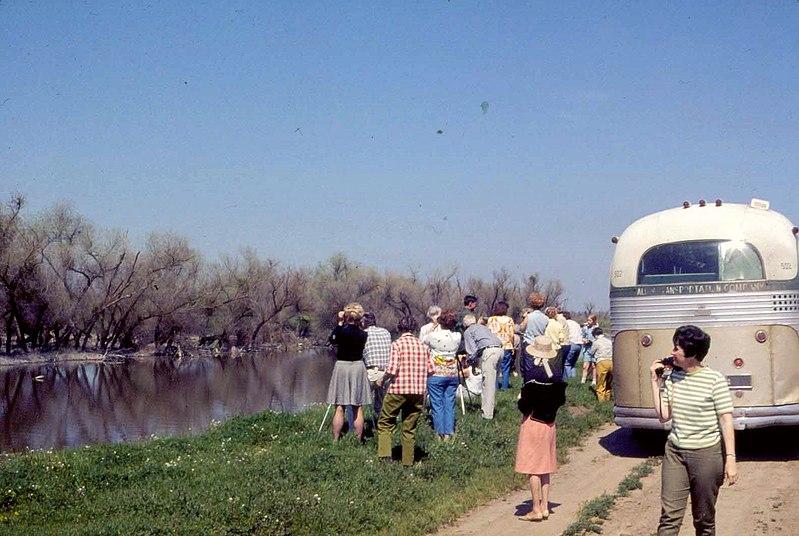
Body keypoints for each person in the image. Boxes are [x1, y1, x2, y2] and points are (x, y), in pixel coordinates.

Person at [649, 325, 737, 536]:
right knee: (669, 519)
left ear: (692, 353)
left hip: (706, 454)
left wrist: (731, 459)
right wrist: (655, 381)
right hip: (676, 453)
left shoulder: (714, 380)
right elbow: (664, 416)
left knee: (704, 519)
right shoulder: (673, 378)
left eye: (677, 348)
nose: (672, 352)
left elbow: (726, 420)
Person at [515, 336, 567, 522]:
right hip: (549, 424)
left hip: (533, 423)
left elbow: (524, 406)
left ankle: (535, 508)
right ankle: (545, 505)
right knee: (545, 467)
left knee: (533, 468)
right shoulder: (556, 375)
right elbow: (561, 400)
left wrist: (520, 398)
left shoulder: (532, 377)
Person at [376, 315, 433, 466]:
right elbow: (432, 370)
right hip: (418, 392)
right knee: (409, 428)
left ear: (399, 328)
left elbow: (392, 369)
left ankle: (385, 457)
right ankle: (408, 462)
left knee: (385, 422)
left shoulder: (397, 344)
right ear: (414, 329)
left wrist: (382, 379)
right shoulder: (424, 346)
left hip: (398, 390)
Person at [326, 303, 371, 441]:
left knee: (340, 406)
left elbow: (332, 339)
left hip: (342, 366)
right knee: (358, 406)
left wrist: (339, 323)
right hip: (357, 366)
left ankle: (335, 440)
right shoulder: (363, 334)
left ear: (346, 316)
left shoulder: (341, 331)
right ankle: (358, 439)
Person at [423, 310, 462, 439]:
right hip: (452, 374)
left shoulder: (433, 336)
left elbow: (424, 340)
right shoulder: (457, 336)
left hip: (436, 374)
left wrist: (434, 326)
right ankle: (448, 432)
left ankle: (439, 432)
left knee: (437, 404)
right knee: (449, 404)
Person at [462, 314, 503, 419]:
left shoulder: (468, 331)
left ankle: (487, 415)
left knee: (487, 385)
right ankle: (488, 408)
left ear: (465, 324)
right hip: (500, 350)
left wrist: (470, 364)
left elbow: (471, 352)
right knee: (491, 383)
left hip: (489, 352)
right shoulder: (483, 328)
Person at [361, 312, 392, 418]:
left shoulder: (363, 334)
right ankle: (384, 427)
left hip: (372, 373)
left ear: (363, 323)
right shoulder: (386, 332)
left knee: (356, 398)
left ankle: (355, 427)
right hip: (386, 373)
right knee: (382, 403)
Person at [486, 300, 516, 390]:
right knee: (506, 368)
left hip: (494, 346)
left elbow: (488, 332)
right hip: (507, 346)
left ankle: (494, 387)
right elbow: (512, 335)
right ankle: (504, 387)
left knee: (495, 367)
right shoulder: (509, 320)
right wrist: (512, 346)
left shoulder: (491, 319)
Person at [518, 293, 548, 379]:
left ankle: (528, 384)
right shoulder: (545, 318)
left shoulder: (529, 316)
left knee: (527, 366)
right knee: (538, 365)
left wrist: (524, 318)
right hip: (540, 344)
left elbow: (521, 328)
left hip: (529, 343)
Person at [591, 327, 613, 401]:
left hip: (602, 362)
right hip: (611, 362)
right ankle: (608, 397)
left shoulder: (596, 342)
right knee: (609, 381)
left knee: (601, 381)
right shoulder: (609, 341)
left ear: (595, 335)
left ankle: (601, 400)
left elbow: (591, 352)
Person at [544, 306, 567, 372]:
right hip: (556, 348)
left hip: (546, 347)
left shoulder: (545, 324)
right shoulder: (559, 324)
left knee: (546, 367)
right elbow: (561, 339)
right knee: (556, 367)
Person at [562, 311, 583, 381]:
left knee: (567, 364)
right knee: (572, 364)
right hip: (579, 345)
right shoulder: (576, 323)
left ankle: (568, 380)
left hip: (572, 343)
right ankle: (574, 380)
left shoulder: (565, 323)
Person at [580, 314, 598, 385]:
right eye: (588, 320)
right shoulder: (585, 328)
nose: (588, 322)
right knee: (585, 366)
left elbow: (597, 338)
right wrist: (584, 340)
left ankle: (594, 380)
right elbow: (582, 336)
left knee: (594, 365)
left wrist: (590, 341)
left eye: (590, 320)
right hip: (587, 349)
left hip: (594, 349)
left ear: (593, 321)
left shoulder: (596, 328)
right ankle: (583, 380)